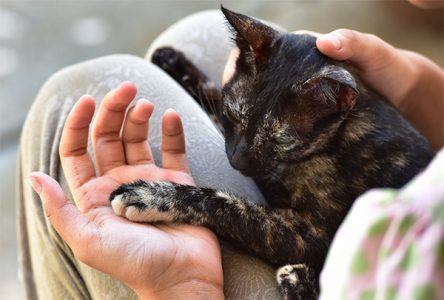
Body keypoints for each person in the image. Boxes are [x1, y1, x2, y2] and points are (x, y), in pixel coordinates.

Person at [21, 4, 443, 300]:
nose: (237, 158)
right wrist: (411, 79)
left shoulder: (365, 155)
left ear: (340, 106)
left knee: (75, 90)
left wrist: (184, 268)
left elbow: (305, 239)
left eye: (279, 141)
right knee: (199, 34)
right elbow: (261, 119)